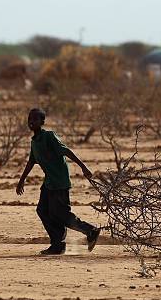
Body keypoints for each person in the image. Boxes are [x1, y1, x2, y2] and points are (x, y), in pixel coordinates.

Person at [16, 108, 100, 255]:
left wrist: (84, 167)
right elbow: (31, 162)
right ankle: (57, 243)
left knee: (60, 214)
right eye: (29, 118)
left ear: (42, 122)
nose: (31, 121)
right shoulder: (35, 141)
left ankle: (90, 231)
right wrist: (21, 180)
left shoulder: (49, 136)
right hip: (49, 182)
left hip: (59, 182)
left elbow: (66, 151)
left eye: (35, 119)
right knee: (42, 210)